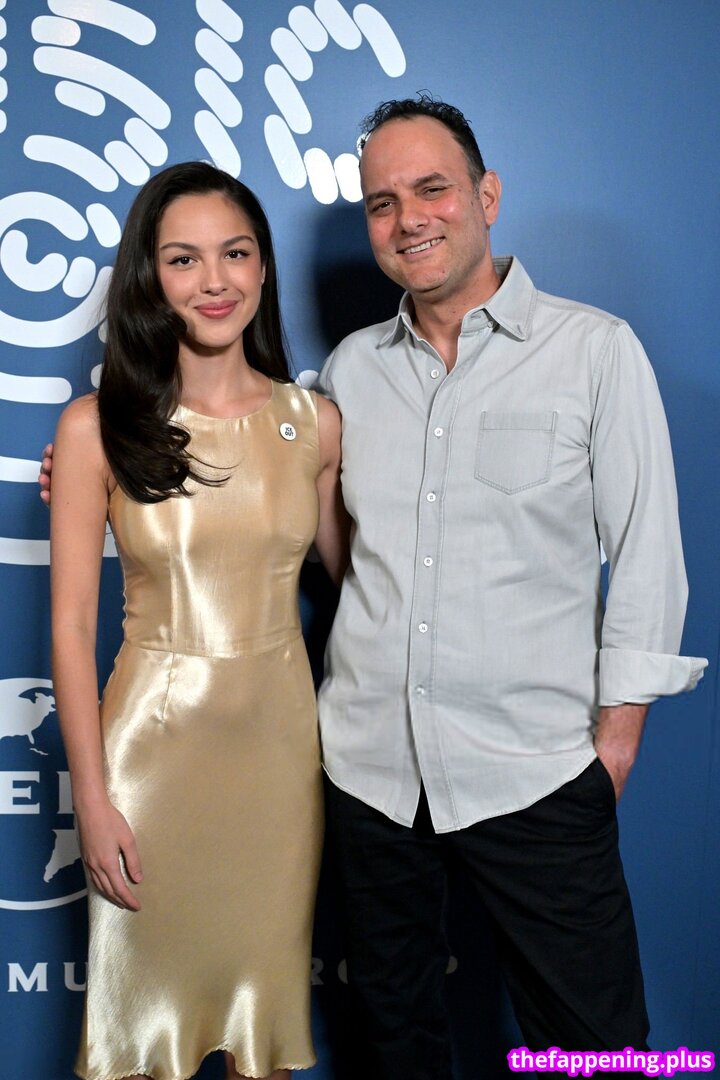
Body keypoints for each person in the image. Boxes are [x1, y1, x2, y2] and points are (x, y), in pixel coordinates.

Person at [314, 96, 707, 1078]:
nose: (408, 218)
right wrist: (102, 463)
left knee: (598, 1051)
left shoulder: (594, 351)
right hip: (370, 772)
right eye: (381, 203)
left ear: (487, 195)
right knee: (393, 1045)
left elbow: (649, 554)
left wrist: (614, 746)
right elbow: (332, 547)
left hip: (535, 768)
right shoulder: (350, 374)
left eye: (432, 189)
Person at [50, 161, 346, 1080]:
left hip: (281, 766)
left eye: (236, 253)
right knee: (142, 1041)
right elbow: (70, 629)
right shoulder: (96, 427)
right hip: (150, 761)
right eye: (184, 259)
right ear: (152, 277)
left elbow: (365, 586)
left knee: (264, 1039)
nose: (214, 281)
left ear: (262, 267)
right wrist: (92, 799)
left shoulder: (316, 423)